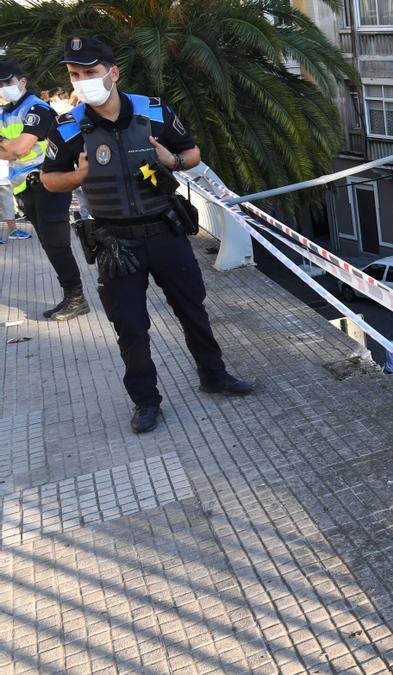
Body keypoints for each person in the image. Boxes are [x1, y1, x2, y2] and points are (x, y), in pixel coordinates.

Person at [40, 36, 253, 433]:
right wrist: (78, 176)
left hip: (165, 232)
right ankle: (145, 401)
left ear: (113, 72)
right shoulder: (67, 129)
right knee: (131, 327)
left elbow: (192, 154)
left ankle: (214, 375)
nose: (83, 80)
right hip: (115, 243)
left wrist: (171, 160)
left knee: (194, 312)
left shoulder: (154, 112)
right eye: (74, 74)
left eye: (90, 72)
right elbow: (49, 180)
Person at [0, 59, 89, 319]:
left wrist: (9, 146)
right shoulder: (7, 112)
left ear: (22, 81)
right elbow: (10, 149)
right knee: (50, 246)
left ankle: (77, 298)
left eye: (8, 82)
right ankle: (71, 295)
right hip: (26, 188)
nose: (4, 87)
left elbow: (19, 149)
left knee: (57, 244)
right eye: (0, 84)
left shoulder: (36, 109)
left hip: (49, 183)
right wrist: (8, 146)